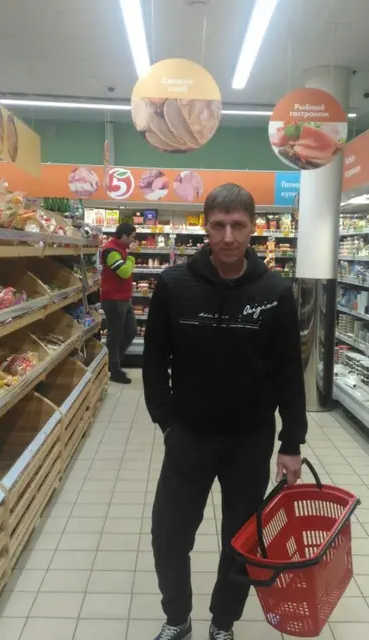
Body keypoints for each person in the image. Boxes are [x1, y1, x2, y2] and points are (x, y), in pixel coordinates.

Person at [143, 183, 308, 640]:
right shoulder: (173, 285)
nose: (228, 236)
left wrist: (291, 441)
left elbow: (288, 372)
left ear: (253, 227)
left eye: (238, 225)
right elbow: (154, 361)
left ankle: (223, 623)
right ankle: (178, 618)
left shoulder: (275, 291)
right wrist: (167, 422)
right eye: (219, 225)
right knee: (168, 535)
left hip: (250, 440)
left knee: (242, 540)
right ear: (205, 226)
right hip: (188, 436)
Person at [101, 222, 137, 384]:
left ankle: (113, 363)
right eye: (132, 237)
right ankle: (114, 370)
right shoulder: (110, 250)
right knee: (115, 335)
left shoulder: (120, 249)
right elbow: (124, 272)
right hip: (113, 299)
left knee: (131, 331)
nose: (133, 241)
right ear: (123, 236)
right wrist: (131, 256)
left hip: (123, 298)